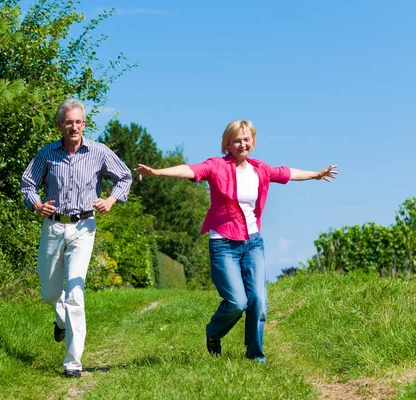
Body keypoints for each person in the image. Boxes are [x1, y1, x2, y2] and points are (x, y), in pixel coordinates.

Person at [135, 120, 337, 364]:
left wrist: (316, 175)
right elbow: (191, 169)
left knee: (259, 302)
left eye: (246, 139)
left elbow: (287, 172)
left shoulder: (260, 169)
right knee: (237, 302)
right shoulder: (216, 166)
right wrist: (158, 172)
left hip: (253, 243)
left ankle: (255, 356)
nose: (242, 144)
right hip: (223, 243)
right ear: (227, 144)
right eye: (236, 140)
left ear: (253, 141)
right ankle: (214, 332)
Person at [21, 98, 132, 377]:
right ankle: (61, 321)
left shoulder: (98, 152)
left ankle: (72, 362)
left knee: (75, 291)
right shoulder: (47, 153)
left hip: (84, 227)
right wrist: (36, 205)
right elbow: (28, 183)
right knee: (49, 292)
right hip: (54, 227)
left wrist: (111, 200)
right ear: (60, 125)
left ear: (84, 124)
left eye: (78, 121)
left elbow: (124, 177)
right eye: (68, 122)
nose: (74, 126)